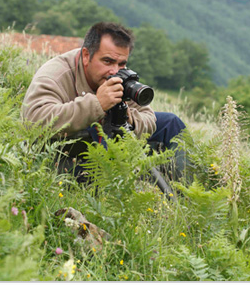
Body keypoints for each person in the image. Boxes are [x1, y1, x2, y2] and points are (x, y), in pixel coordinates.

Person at [22, 22, 187, 182]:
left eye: (122, 63)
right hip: (66, 151)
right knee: (97, 126)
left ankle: (189, 194)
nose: (115, 71)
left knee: (170, 123)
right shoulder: (57, 73)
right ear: (86, 56)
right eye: (107, 61)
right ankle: (105, 186)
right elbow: (34, 119)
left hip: (109, 143)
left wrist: (129, 120)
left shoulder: (120, 75)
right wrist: (97, 105)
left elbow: (149, 117)